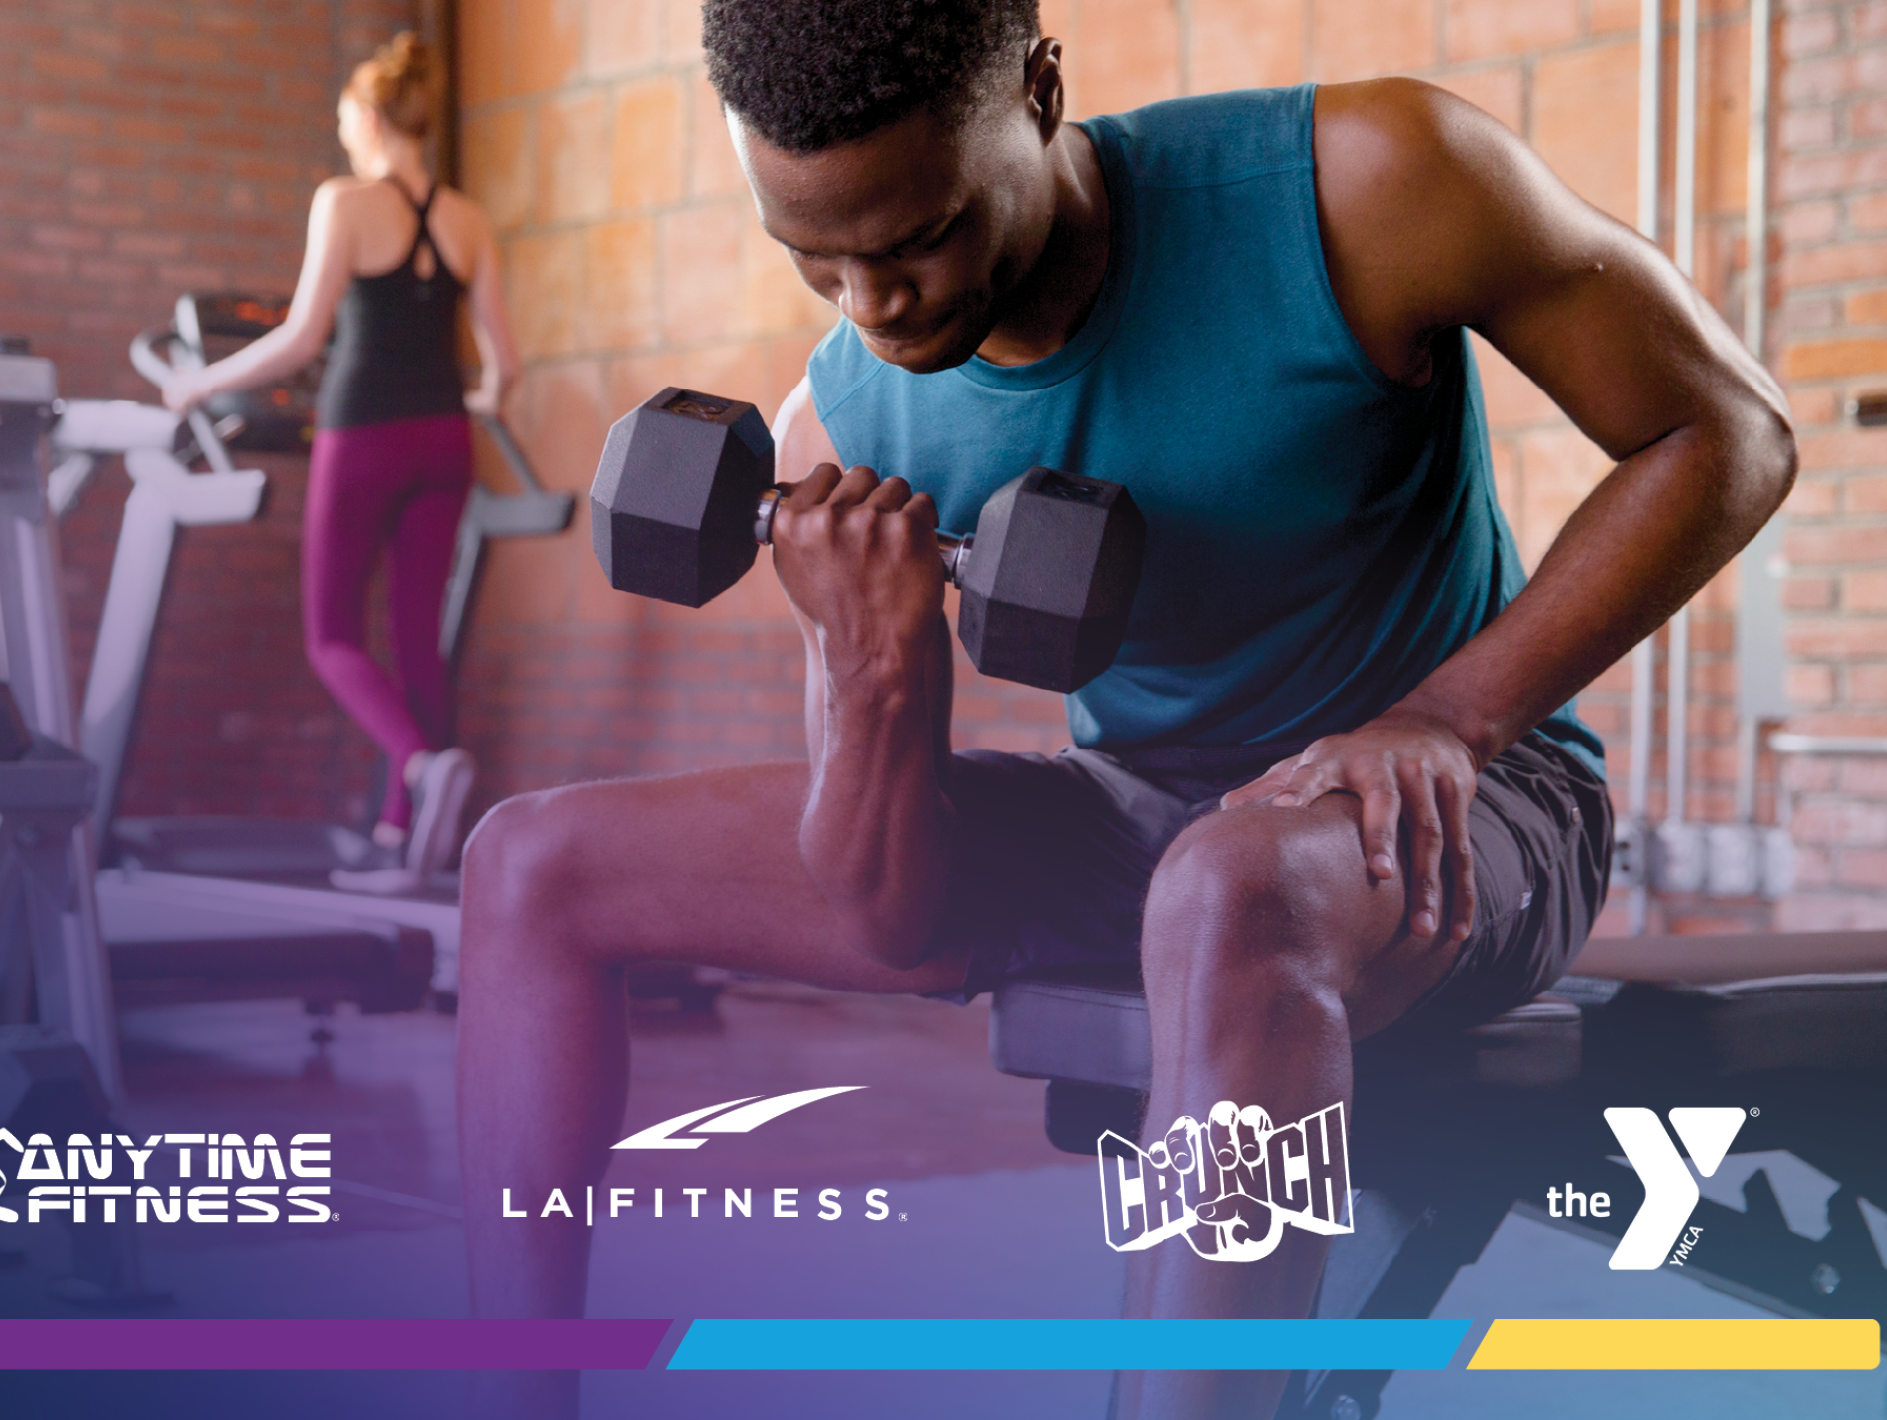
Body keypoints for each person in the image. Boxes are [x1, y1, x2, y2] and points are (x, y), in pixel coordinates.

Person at [453, 4, 1793, 1419]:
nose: (872, 306)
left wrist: (1453, 717)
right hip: (1146, 813)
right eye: (813, 258)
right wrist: (875, 658)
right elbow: (890, 911)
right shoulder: (843, 420)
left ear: (1039, 88)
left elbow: (1729, 429)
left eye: (917, 240)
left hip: (1466, 798)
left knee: (1226, 890)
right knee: (525, 866)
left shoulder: (1365, 185)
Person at [164, 31, 516, 890]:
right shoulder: (470, 220)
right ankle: (408, 845)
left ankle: (421, 769)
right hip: (445, 439)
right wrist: (473, 403)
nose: (344, 137)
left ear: (366, 115)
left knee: (330, 637)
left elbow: (302, 337)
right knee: (418, 645)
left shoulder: (344, 200)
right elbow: (506, 368)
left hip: (364, 433)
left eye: (344, 121)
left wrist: (199, 385)